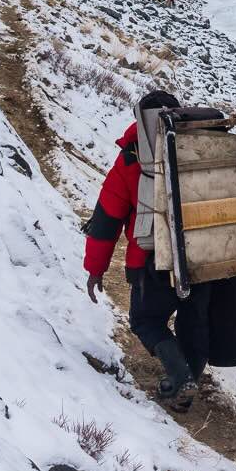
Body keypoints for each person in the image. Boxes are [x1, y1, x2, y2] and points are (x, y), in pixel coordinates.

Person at [84, 90, 209, 410]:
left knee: (146, 321)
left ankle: (181, 379)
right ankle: (186, 385)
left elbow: (106, 220)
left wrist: (96, 269)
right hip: (205, 256)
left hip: (152, 262)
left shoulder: (131, 157)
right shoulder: (200, 148)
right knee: (193, 321)